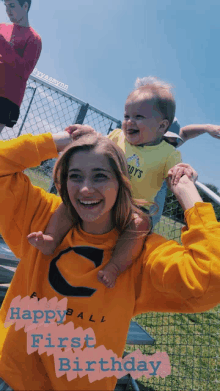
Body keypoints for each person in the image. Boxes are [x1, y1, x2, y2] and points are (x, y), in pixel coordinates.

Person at [0, 131, 220, 391]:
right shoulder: (42, 218)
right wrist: (57, 141)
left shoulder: (137, 252)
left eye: (100, 176)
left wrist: (187, 194)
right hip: (9, 374)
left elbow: (210, 278)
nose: (85, 188)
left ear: (121, 183)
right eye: (75, 176)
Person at [29, 77, 184, 288]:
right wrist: (91, 134)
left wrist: (183, 172)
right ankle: (50, 239)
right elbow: (99, 146)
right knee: (69, 205)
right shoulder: (117, 136)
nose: (129, 121)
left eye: (138, 116)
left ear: (162, 126)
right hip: (105, 196)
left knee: (140, 227)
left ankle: (115, 267)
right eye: (126, 115)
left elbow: (176, 173)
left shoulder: (168, 154)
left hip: (135, 207)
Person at [0, 0, 42, 133]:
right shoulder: (2, 27)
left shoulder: (34, 38)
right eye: (6, 6)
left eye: (12, 6)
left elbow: (24, 70)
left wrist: (1, 43)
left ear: (25, 6)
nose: (7, 10)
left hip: (6, 97)